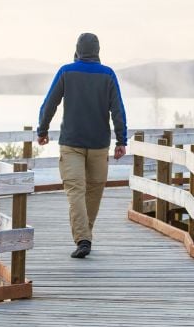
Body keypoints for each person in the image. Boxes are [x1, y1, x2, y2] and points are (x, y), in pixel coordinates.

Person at [37, 32, 127, 258]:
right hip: (99, 144)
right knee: (93, 191)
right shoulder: (108, 74)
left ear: (77, 50)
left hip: (72, 144)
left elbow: (50, 103)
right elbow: (118, 109)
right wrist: (121, 140)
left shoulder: (66, 71)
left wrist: (42, 130)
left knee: (76, 191)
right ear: (97, 51)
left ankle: (83, 237)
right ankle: (84, 238)